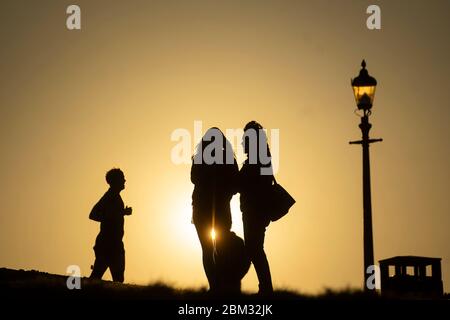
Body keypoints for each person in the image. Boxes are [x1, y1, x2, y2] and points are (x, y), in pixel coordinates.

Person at [190, 127, 239, 292]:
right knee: (219, 248)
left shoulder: (200, 159)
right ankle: (219, 285)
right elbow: (235, 184)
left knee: (209, 249)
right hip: (219, 208)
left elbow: (194, 178)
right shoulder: (228, 160)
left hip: (203, 208)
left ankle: (216, 285)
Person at [239, 121, 274, 295]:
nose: (242, 142)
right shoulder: (263, 158)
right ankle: (265, 288)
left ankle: (266, 288)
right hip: (255, 211)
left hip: (255, 211)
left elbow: (249, 183)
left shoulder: (257, 160)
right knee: (254, 249)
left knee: (254, 250)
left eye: (245, 139)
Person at [89, 168, 132, 282]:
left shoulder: (115, 197)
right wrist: (121, 213)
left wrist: (122, 212)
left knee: (117, 279)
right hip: (107, 244)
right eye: (122, 178)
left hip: (115, 243)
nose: (125, 180)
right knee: (98, 276)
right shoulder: (109, 196)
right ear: (115, 181)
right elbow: (93, 214)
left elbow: (111, 214)